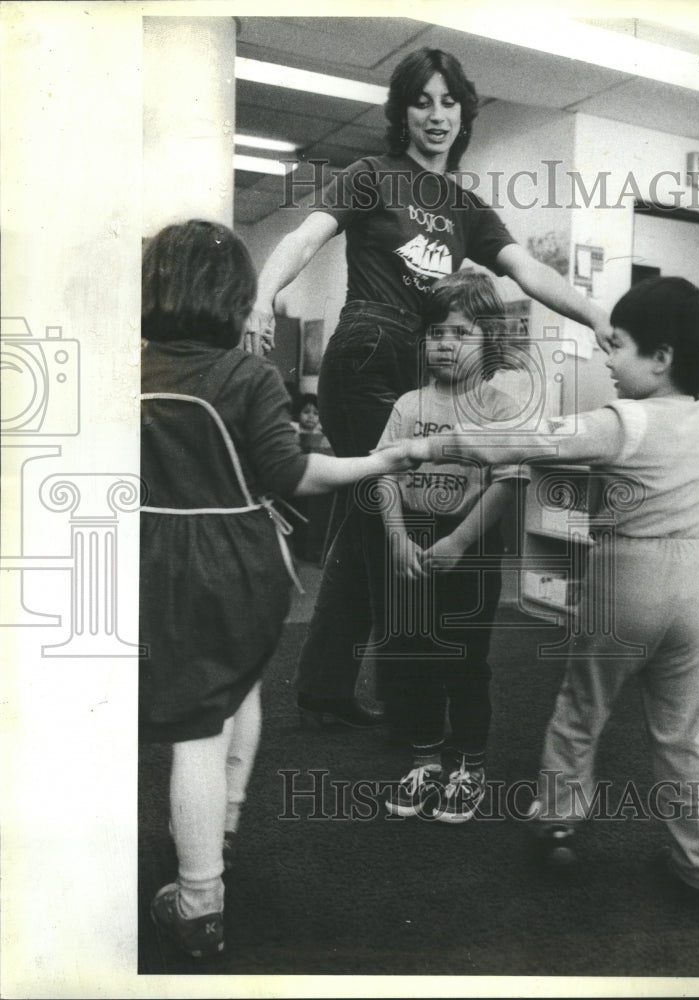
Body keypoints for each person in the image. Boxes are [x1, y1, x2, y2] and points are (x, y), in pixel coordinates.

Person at [255, 46, 613, 732]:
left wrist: (594, 314)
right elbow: (306, 235)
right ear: (402, 113)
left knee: (369, 516)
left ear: (464, 112)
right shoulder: (372, 176)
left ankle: (331, 682)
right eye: (422, 100)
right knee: (391, 511)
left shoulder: (467, 209)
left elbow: (530, 276)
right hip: (366, 353)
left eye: (448, 101)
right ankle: (402, 693)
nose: (436, 115)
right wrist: (264, 294)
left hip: (421, 367)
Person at [139, 219, 428, 959]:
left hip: (152, 559)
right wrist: (381, 461)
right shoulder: (246, 376)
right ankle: (206, 881)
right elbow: (296, 475)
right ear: (236, 297)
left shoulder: (129, 372)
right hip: (238, 564)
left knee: (194, 714)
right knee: (230, 703)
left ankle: (205, 862)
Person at [418, 277, 699, 901]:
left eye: (617, 347)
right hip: (694, 587)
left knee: (581, 708)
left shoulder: (627, 421)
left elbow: (533, 440)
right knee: (682, 732)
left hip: (627, 579)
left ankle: (557, 823)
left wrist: (442, 441)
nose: (607, 361)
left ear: (661, 357)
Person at [375, 270, 531, 822]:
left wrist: (461, 542)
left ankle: (469, 766)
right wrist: (395, 536)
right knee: (413, 656)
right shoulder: (407, 404)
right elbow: (385, 473)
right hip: (411, 544)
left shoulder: (499, 407)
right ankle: (424, 761)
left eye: (461, 332)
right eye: (436, 331)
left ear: (490, 338)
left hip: (470, 547)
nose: (445, 342)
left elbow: (508, 483)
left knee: (464, 661)